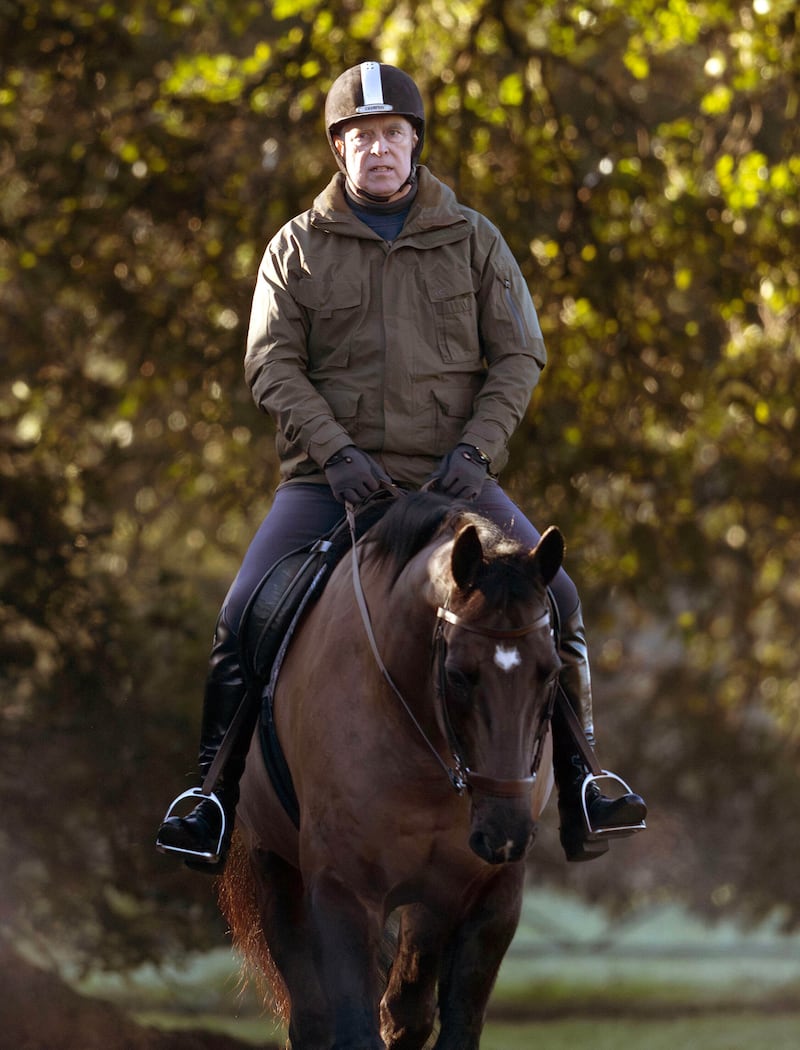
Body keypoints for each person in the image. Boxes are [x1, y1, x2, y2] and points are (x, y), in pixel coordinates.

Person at [156, 61, 646, 872]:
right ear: (337, 151)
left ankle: (586, 780)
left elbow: (520, 355)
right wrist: (336, 454)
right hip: (329, 483)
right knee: (244, 610)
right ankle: (211, 795)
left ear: (414, 143)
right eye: (360, 137)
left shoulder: (475, 239)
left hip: (452, 478)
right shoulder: (296, 248)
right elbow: (271, 365)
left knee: (557, 594)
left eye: (391, 134)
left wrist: (474, 452)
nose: (377, 150)